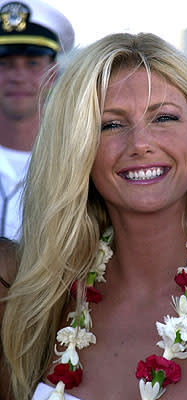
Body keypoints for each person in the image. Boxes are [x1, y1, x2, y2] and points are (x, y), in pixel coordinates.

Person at [0, 32, 187, 400]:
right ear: (80, 148)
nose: (140, 143)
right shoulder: (35, 293)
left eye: (164, 118)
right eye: (111, 124)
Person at [0, 0, 75, 240]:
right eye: (4, 64)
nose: (18, 77)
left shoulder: (78, 160)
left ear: (53, 71)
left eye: (32, 63)